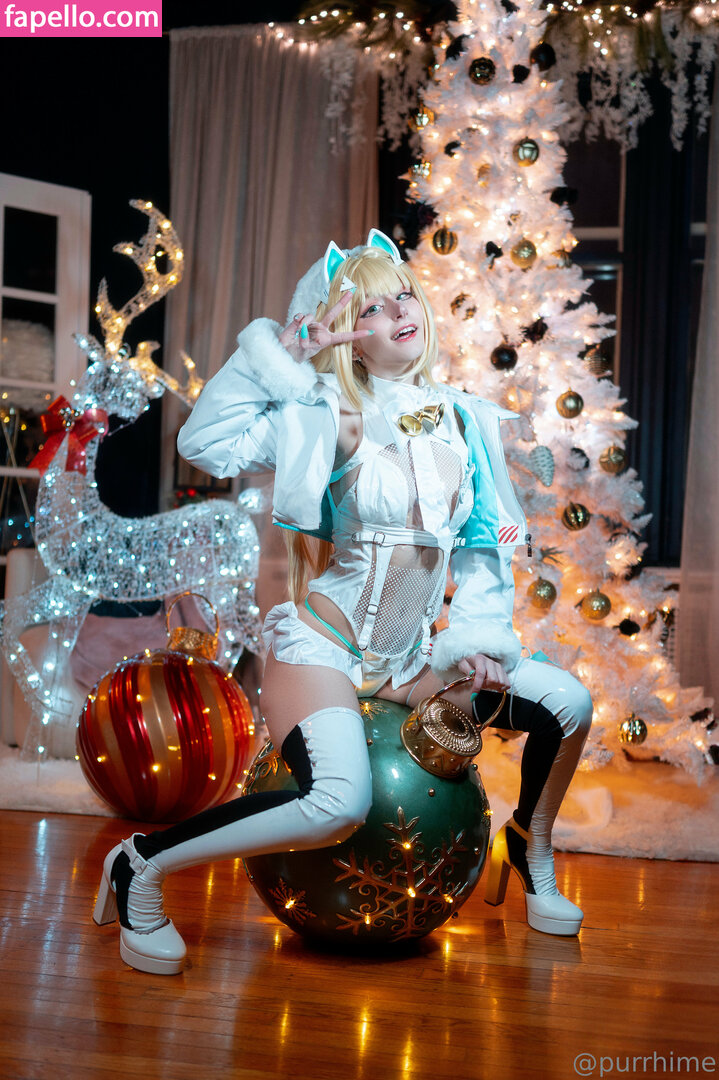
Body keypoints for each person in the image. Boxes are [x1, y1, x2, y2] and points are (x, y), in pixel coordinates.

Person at [93, 229, 592, 975]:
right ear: (350, 338)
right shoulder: (328, 413)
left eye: (404, 295)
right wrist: (284, 357)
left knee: (567, 702)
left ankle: (529, 845)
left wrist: (481, 637)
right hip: (326, 646)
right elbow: (206, 443)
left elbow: (483, 546)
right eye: (372, 307)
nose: (399, 312)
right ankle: (142, 863)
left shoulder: (463, 419)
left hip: (414, 659)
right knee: (338, 804)